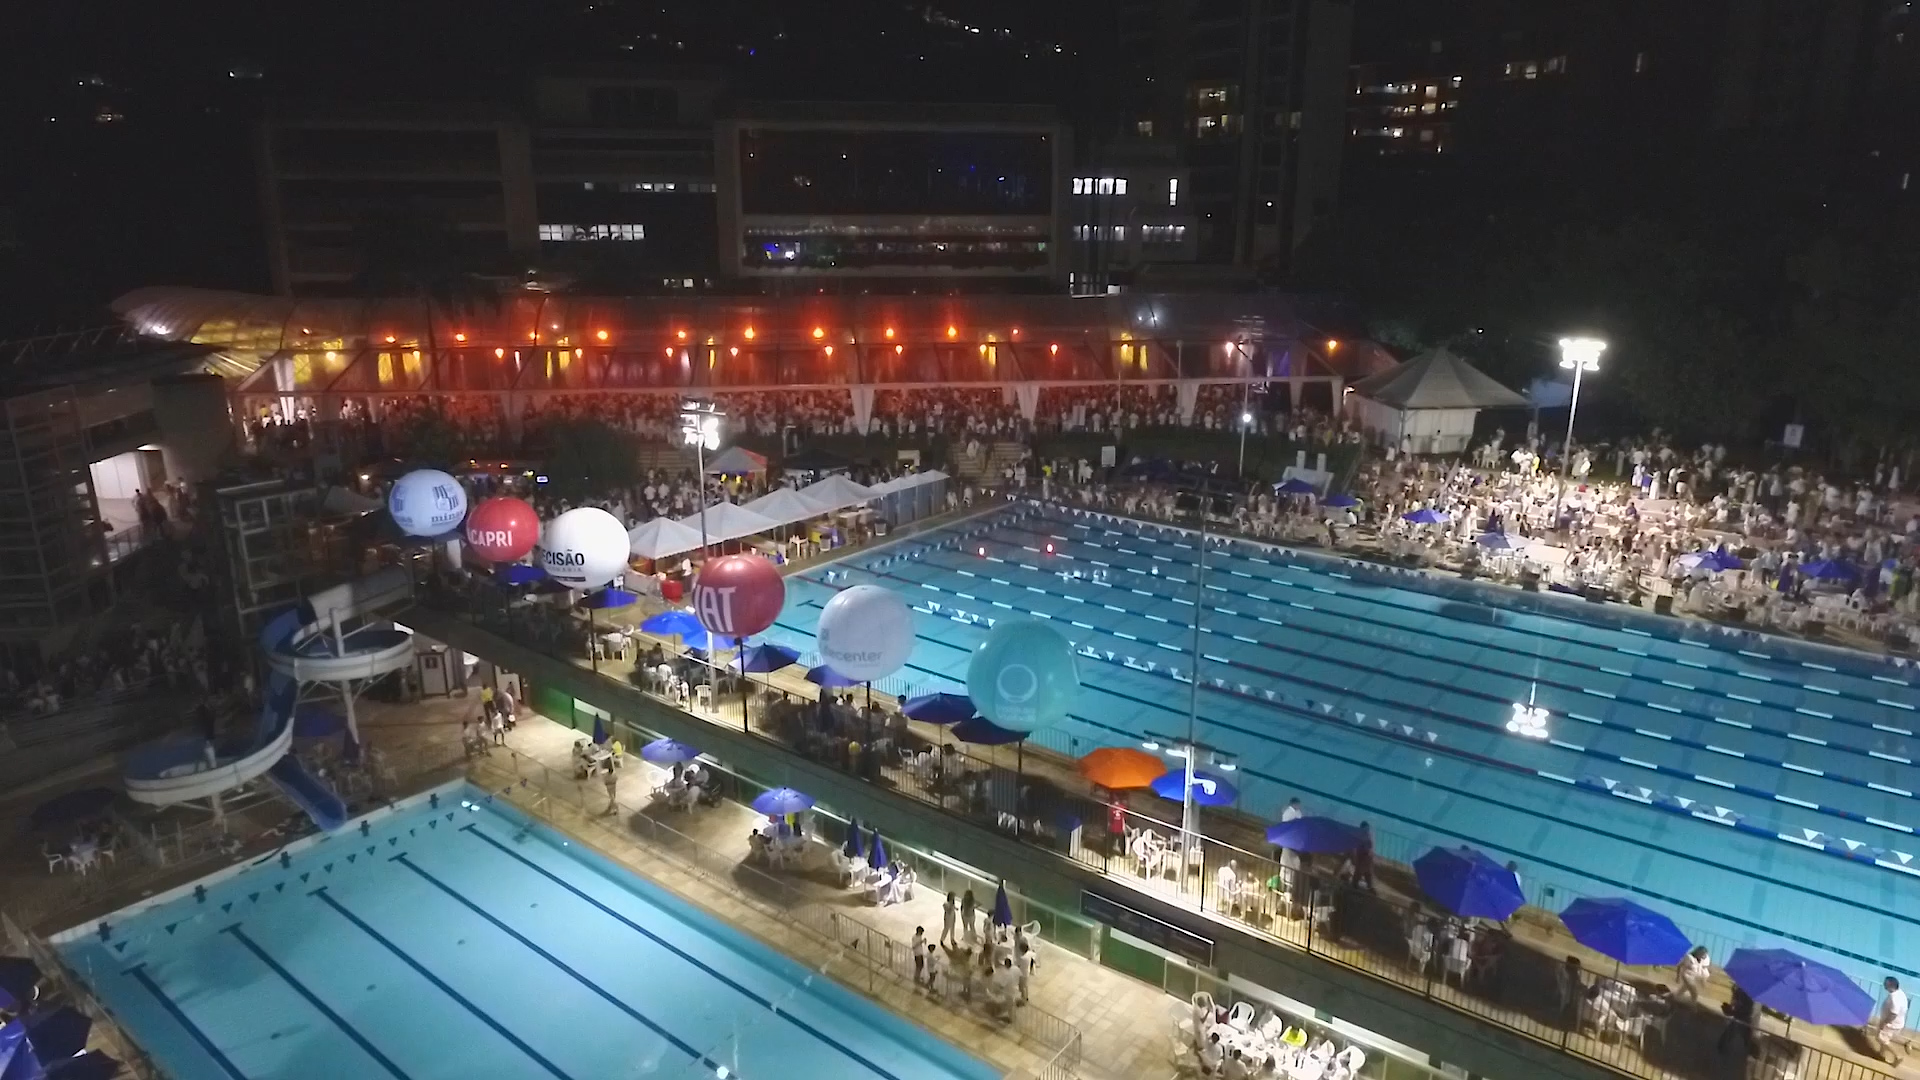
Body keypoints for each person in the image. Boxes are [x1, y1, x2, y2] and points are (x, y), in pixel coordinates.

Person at [1867, 976, 1909, 1064]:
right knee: (1884, 1037)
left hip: (1891, 1024)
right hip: (1897, 1023)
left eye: (1885, 983)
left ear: (1890, 985)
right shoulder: (1900, 993)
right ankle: (1881, 1055)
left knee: (1881, 1038)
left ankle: (1898, 1055)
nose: (1884, 984)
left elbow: (1894, 1013)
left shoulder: (1894, 998)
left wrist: (1884, 1022)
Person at [1717, 984, 1756, 1058]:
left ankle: (1752, 1052)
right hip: (1742, 1017)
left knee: (1745, 1036)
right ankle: (1721, 1048)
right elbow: (1737, 1005)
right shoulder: (1740, 991)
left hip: (1744, 1018)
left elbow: (1744, 1010)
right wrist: (1730, 1009)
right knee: (1743, 1035)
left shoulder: (1745, 993)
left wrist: (1731, 1011)